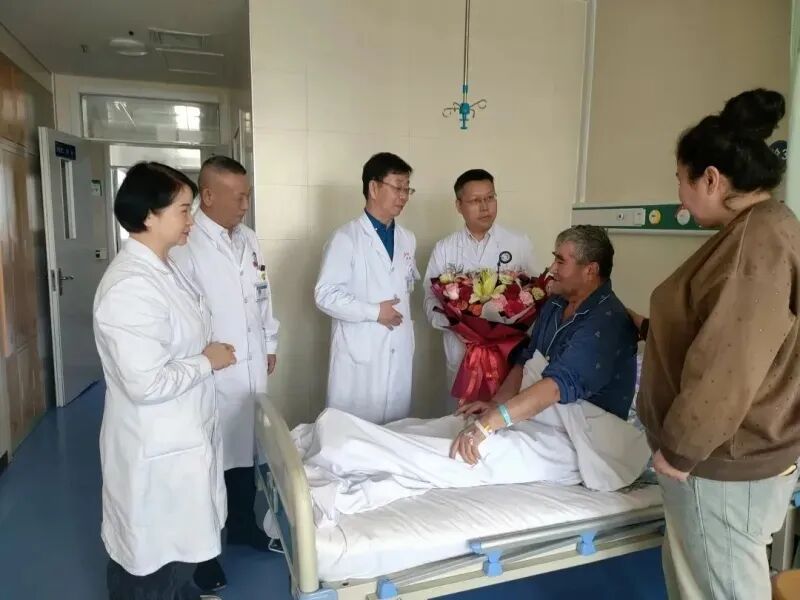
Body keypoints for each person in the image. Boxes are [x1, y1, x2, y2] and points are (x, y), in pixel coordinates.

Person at [294, 226, 646, 525]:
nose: (551, 268)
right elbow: (526, 361)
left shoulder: (606, 322)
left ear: (590, 270)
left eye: (560, 261)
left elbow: (555, 387)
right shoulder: (557, 304)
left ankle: (341, 448)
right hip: (537, 415)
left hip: (580, 440)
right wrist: (495, 405)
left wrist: (491, 424)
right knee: (449, 429)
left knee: (460, 454)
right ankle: (329, 436)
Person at [628, 89, 800, 600]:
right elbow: (728, 331)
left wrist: (679, 449)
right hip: (736, 454)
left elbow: (730, 363)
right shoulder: (766, 227)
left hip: (722, 461)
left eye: (680, 180)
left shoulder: (754, 244)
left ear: (710, 178)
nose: (679, 196)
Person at [94, 162, 236, 600]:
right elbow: (146, 383)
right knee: (149, 562)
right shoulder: (130, 287)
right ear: (148, 215)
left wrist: (204, 357)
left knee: (178, 553)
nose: (192, 218)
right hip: (155, 447)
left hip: (181, 436)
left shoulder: (166, 268)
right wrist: (206, 362)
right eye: (183, 209)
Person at [171, 156, 280, 592]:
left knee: (244, 455)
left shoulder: (248, 239)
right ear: (209, 195)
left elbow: (263, 295)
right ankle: (203, 555)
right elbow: (184, 317)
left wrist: (269, 344)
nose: (245, 204)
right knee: (209, 462)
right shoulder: (186, 243)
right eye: (237, 197)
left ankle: (242, 526)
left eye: (248, 195)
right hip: (211, 374)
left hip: (250, 366)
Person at [314, 152, 419, 423]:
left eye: (407, 189)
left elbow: (405, 284)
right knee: (353, 434)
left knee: (394, 430)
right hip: (360, 354)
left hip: (397, 348)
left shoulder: (407, 239)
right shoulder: (345, 238)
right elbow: (325, 294)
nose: (404, 196)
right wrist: (374, 312)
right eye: (398, 187)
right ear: (373, 188)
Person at [423, 169, 538, 411]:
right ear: (459, 205)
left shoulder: (519, 243)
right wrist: (458, 326)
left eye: (490, 198)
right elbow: (430, 299)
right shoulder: (445, 248)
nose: (485, 207)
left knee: (504, 416)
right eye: (476, 200)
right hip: (462, 350)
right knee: (459, 416)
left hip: (507, 352)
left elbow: (534, 295)